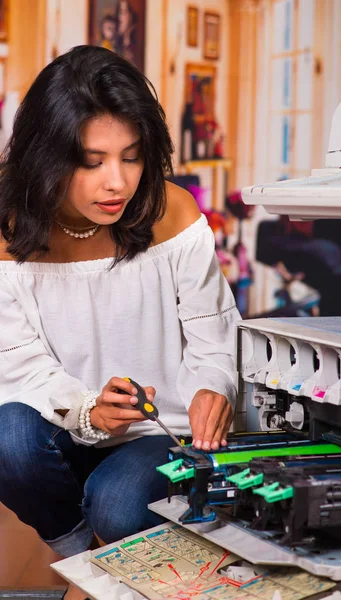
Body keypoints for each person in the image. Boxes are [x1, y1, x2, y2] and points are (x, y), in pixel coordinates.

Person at [0, 45, 239, 600]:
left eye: (131, 157)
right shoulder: (9, 230)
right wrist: (88, 412)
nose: (118, 183)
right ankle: (99, 564)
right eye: (92, 161)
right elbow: (18, 363)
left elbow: (213, 335)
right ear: (46, 155)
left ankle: (108, 560)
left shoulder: (172, 212)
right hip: (64, 426)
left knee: (118, 499)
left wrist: (212, 388)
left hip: (160, 432)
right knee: (6, 434)